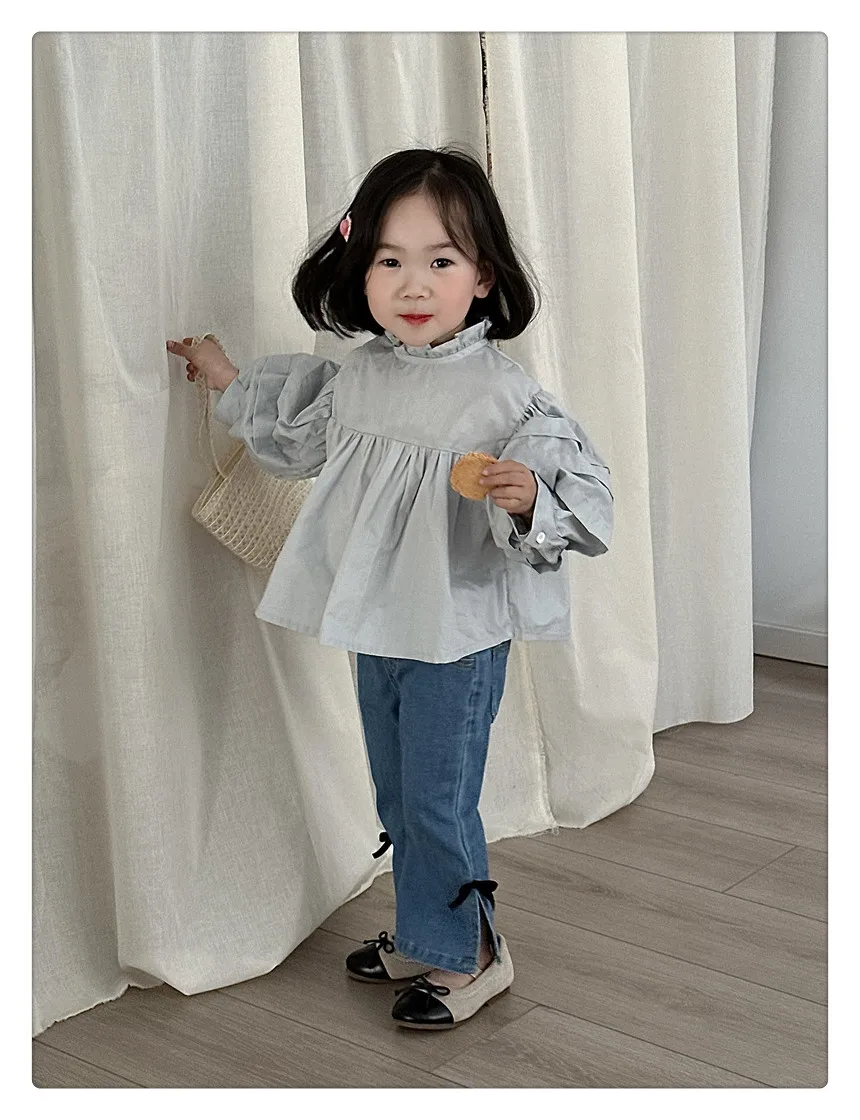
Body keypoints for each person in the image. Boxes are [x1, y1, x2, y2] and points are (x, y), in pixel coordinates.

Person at [166, 146, 614, 1031]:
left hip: (458, 634)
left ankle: (475, 954)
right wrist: (224, 375)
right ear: (359, 270)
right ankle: (426, 933)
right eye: (389, 260)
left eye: (440, 261)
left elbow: (581, 500)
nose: (414, 285)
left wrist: (527, 496)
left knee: (438, 797)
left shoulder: (504, 397)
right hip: (380, 624)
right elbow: (298, 436)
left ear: (483, 278)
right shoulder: (365, 375)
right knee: (398, 788)